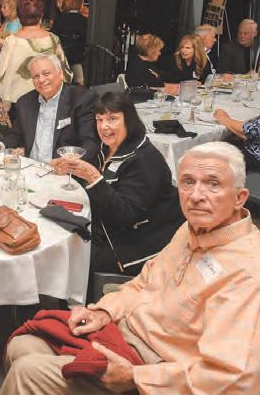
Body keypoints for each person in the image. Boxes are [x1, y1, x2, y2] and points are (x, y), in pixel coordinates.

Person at [0, 141, 260, 395]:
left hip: (163, 382)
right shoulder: (191, 229)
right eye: (188, 182)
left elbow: (235, 385)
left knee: (27, 376)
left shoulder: (251, 271)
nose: (196, 196)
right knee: (24, 346)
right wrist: (104, 311)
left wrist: (137, 377)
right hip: (127, 339)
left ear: (239, 198)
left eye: (213, 184)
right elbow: (144, 283)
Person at [51, 92, 183, 275]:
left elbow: (127, 215)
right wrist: (71, 170)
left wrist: (93, 177)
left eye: (112, 119)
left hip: (138, 241)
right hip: (106, 226)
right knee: (57, 229)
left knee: (69, 255)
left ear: (129, 119)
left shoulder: (143, 158)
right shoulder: (104, 149)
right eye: (99, 119)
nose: (104, 126)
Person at [0, 54, 98, 163]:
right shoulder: (25, 102)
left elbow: (90, 143)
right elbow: (16, 135)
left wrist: (68, 163)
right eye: (36, 76)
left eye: (46, 74)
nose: (41, 80)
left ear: (60, 73)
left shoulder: (81, 99)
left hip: (63, 169)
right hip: (31, 167)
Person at [0, 0, 72, 106]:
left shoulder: (11, 41)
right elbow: (65, 72)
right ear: (41, 15)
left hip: (17, 99)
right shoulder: (52, 39)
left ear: (19, 15)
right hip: (47, 96)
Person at [50, 0, 87, 85]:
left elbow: (53, 38)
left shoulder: (59, 20)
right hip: (78, 57)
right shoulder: (84, 21)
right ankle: (80, 86)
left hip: (62, 56)